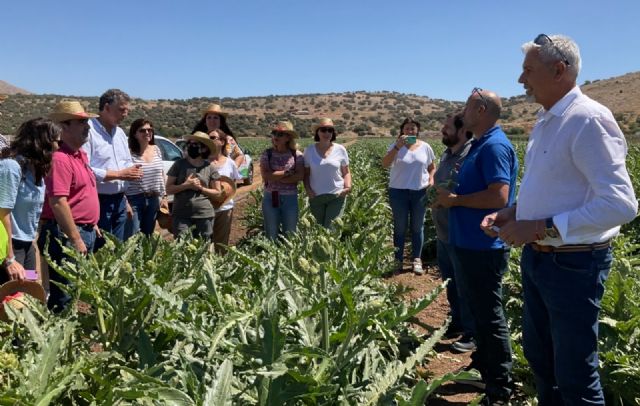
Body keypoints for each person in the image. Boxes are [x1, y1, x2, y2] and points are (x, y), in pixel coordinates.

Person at [481, 34, 638, 406]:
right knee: (542, 363)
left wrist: (537, 226)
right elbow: (552, 187)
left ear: (559, 70)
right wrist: (514, 212)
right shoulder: (548, 120)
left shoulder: (589, 120)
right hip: (541, 259)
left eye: (529, 70)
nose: (522, 80)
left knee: (574, 376)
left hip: (573, 264)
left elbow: (621, 204)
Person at [434, 88, 518, 405]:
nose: (462, 112)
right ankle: (484, 369)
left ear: (481, 111)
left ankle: (499, 390)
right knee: (480, 314)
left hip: (483, 247)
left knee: (489, 316)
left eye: (467, 107)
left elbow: (499, 197)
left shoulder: (494, 146)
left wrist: (456, 201)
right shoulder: (479, 145)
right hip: (466, 243)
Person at [39, 101, 101, 311]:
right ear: (64, 126)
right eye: (81, 122)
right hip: (66, 234)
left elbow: (82, 194)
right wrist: (75, 237)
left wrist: (92, 223)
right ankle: (59, 338)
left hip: (84, 230)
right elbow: (58, 202)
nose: (87, 126)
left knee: (76, 289)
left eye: (87, 121)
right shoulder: (60, 159)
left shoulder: (80, 156)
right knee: (65, 293)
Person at [431, 113, 476, 352]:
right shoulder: (447, 154)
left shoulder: (471, 155)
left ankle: (472, 332)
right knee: (450, 281)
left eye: (447, 127)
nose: (442, 130)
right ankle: (457, 321)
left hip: (461, 231)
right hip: (443, 230)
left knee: (465, 283)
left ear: (462, 130)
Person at [1, 118, 61, 283]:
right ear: (43, 143)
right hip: (11, 246)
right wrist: (9, 258)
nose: (59, 147)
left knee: (29, 293)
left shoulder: (36, 170)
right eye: (57, 142)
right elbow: (2, 213)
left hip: (27, 244)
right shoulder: (12, 167)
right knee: (11, 301)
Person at [83, 89, 142, 246]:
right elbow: (85, 170)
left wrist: (132, 171)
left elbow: (126, 162)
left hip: (120, 201)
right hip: (99, 201)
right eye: (121, 110)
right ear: (107, 107)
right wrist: (119, 174)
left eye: (127, 110)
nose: (125, 114)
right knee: (100, 250)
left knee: (116, 250)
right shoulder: (88, 131)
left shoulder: (120, 133)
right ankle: (29, 273)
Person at [382, 117, 435, 275]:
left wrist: (431, 180)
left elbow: (432, 167)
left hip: (420, 191)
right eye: (407, 128)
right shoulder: (395, 146)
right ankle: (398, 260)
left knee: (417, 227)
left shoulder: (425, 147)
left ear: (417, 130)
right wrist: (397, 148)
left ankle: (416, 260)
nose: (410, 131)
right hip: (398, 192)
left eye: (413, 128)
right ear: (402, 131)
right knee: (400, 227)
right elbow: (385, 164)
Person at [165, 131, 223, 239]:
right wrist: (186, 185)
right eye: (190, 144)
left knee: (203, 248)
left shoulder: (210, 167)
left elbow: (218, 193)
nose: (191, 146)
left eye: (195, 144)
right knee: (183, 247)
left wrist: (200, 188)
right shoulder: (179, 165)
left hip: (204, 214)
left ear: (204, 148)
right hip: (181, 215)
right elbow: (168, 189)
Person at [123, 118, 168, 239]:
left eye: (150, 130)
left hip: (153, 199)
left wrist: (164, 196)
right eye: (142, 130)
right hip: (134, 200)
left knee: (147, 236)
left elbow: (161, 174)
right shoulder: (128, 153)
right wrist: (125, 202)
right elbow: (123, 179)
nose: (147, 133)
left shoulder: (156, 149)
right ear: (135, 134)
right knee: (132, 237)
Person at [303, 118, 352, 228]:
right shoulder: (309, 150)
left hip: (336, 195)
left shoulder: (340, 149)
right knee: (318, 230)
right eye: (323, 130)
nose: (327, 133)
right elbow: (306, 174)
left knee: (331, 230)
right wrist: (308, 190)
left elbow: (346, 172)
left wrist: (347, 187)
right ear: (318, 132)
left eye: (330, 130)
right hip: (316, 197)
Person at [260, 120, 304, 240]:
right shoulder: (267, 154)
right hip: (270, 197)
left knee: (290, 233)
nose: (275, 136)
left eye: (280, 134)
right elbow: (266, 176)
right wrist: (287, 173)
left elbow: (300, 176)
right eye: (274, 133)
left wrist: (279, 178)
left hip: (290, 199)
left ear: (288, 137)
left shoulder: (297, 155)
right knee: (270, 232)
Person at [207, 130, 242, 253]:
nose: (209, 140)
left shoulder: (230, 163)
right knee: (204, 244)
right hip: (205, 208)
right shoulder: (203, 162)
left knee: (221, 245)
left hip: (225, 208)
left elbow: (233, 184)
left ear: (222, 142)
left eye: (213, 137)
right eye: (208, 137)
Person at [192, 103, 244, 168]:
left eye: (215, 118)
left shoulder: (228, 139)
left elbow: (240, 155)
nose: (212, 120)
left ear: (221, 122)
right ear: (205, 122)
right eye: (209, 117)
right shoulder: (199, 139)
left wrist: (234, 168)